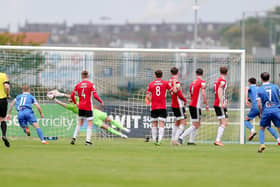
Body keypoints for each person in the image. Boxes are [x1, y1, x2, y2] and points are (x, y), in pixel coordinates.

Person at [48, 91, 129, 139]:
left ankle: (123, 129)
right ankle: (121, 134)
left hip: (95, 113)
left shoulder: (76, 101)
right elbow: (62, 104)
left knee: (110, 120)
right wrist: (55, 99)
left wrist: (60, 95)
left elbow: (69, 97)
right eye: (69, 99)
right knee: (107, 127)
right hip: (93, 116)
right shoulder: (72, 106)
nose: (69, 99)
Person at [70, 70, 104, 146]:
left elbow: (72, 96)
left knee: (79, 123)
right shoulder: (91, 85)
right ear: (88, 76)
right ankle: (87, 141)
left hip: (81, 107)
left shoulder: (78, 85)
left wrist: (76, 103)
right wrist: (100, 101)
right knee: (90, 124)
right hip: (88, 107)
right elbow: (95, 95)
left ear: (82, 76)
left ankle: (74, 138)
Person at [179, 68, 208, 145]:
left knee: (194, 124)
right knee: (197, 124)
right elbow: (203, 93)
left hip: (191, 105)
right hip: (196, 106)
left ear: (196, 74)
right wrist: (206, 102)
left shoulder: (192, 83)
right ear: (202, 74)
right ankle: (181, 137)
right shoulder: (202, 82)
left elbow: (191, 94)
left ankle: (191, 141)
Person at [145, 70, 173, 146]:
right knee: (161, 123)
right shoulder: (165, 83)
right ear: (162, 75)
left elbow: (147, 96)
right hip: (162, 106)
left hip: (154, 106)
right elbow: (172, 91)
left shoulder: (151, 84)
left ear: (155, 75)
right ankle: (160, 140)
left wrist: (152, 100)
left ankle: (154, 140)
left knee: (154, 123)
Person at [256, 72, 280, 153]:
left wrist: (260, 112)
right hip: (276, 110)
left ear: (261, 79)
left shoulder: (259, 89)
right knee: (279, 127)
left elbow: (259, 104)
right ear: (269, 78)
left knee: (262, 128)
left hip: (266, 111)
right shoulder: (275, 87)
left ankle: (262, 144)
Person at [168, 67, 187, 145]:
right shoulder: (177, 82)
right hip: (178, 105)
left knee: (177, 122)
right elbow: (178, 93)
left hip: (173, 104)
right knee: (183, 122)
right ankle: (175, 140)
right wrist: (184, 100)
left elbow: (170, 91)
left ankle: (172, 139)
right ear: (178, 73)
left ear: (171, 73)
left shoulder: (169, 81)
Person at [213, 67, 228, 146]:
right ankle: (218, 140)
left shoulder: (217, 80)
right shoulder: (222, 81)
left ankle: (218, 139)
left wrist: (225, 99)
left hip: (217, 103)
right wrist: (222, 102)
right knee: (224, 123)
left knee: (222, 122)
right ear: (226, 73)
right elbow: (219, 90)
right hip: (219, 104)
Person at [0, 72, 10, 147]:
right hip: (2, 100)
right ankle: (3, 135)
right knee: (3, 119)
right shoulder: (3, 75)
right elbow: (7, 86)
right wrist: (8, 94)